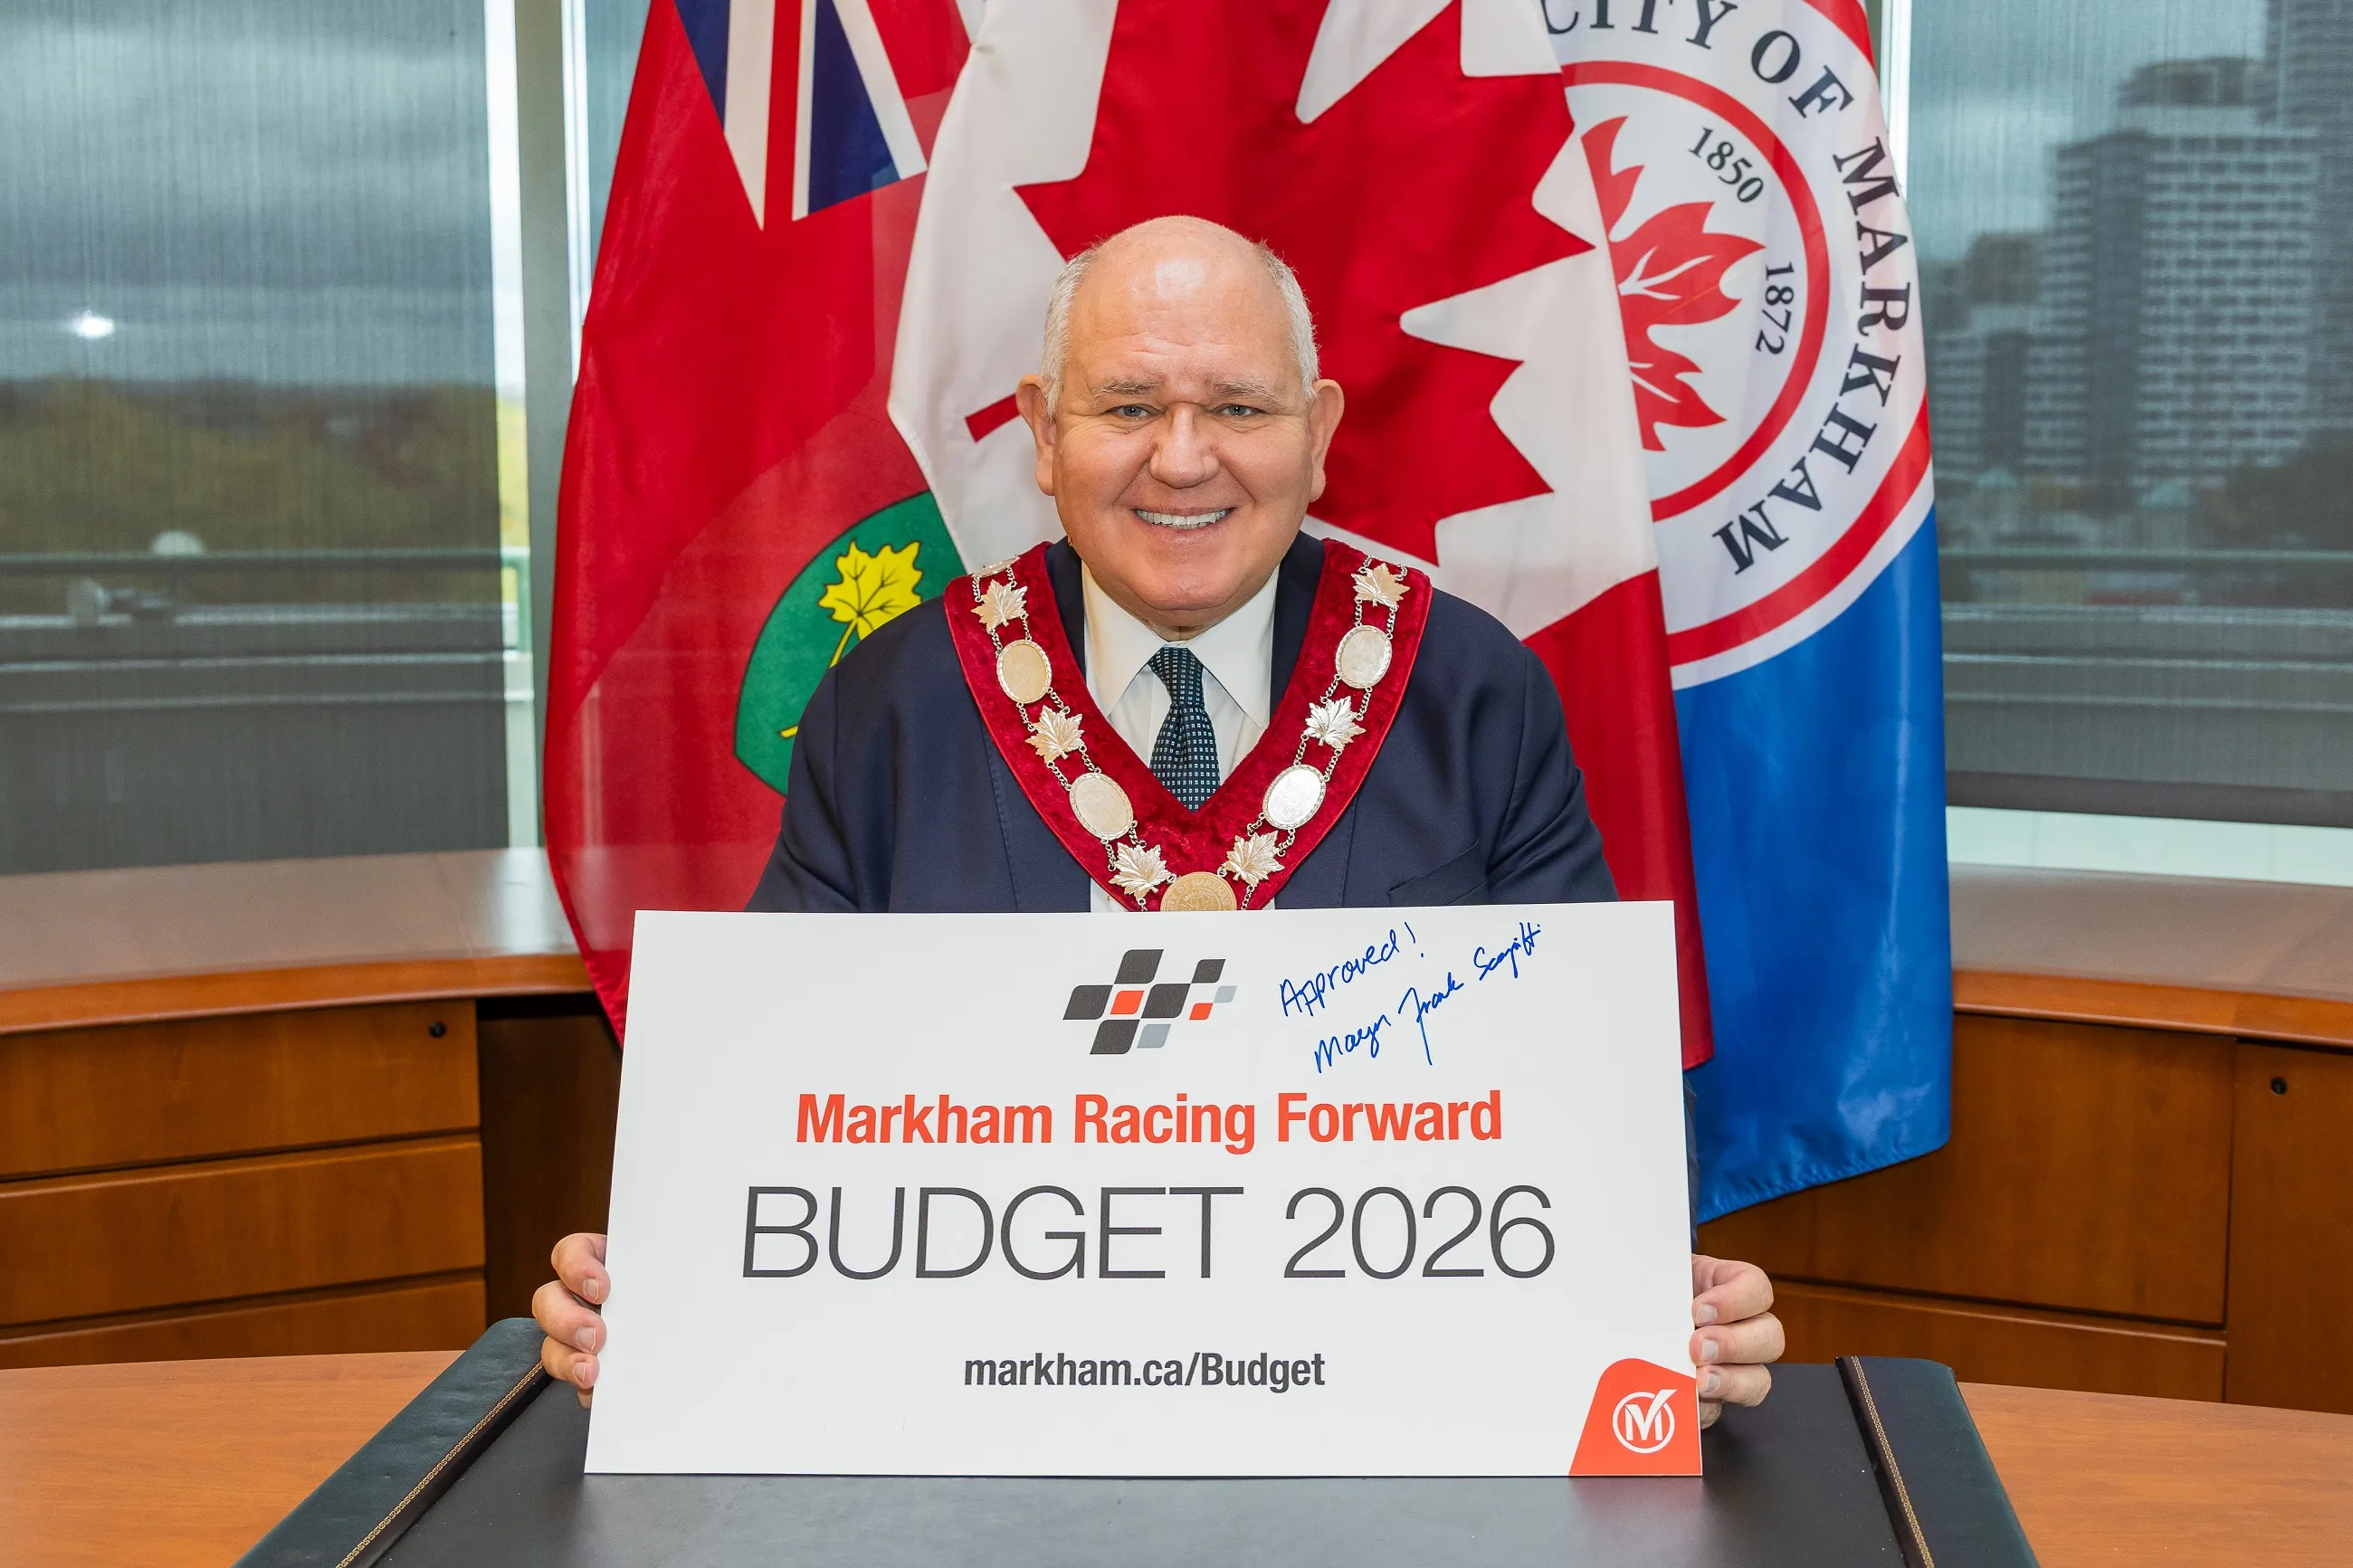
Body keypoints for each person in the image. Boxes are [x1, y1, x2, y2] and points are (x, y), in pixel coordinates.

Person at [534, 215, 1782, 1424]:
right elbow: (773, 1106)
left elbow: (1582, 1119)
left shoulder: (1475, 697)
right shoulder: (887, 711)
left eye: (1238, 408)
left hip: (1381, 1433)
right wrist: (663, 1295)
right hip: (985, 1433)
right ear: (1039, 432)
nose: (1183, 460)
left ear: (1319, 432)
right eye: (1128, 407)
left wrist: (1654, 1326)